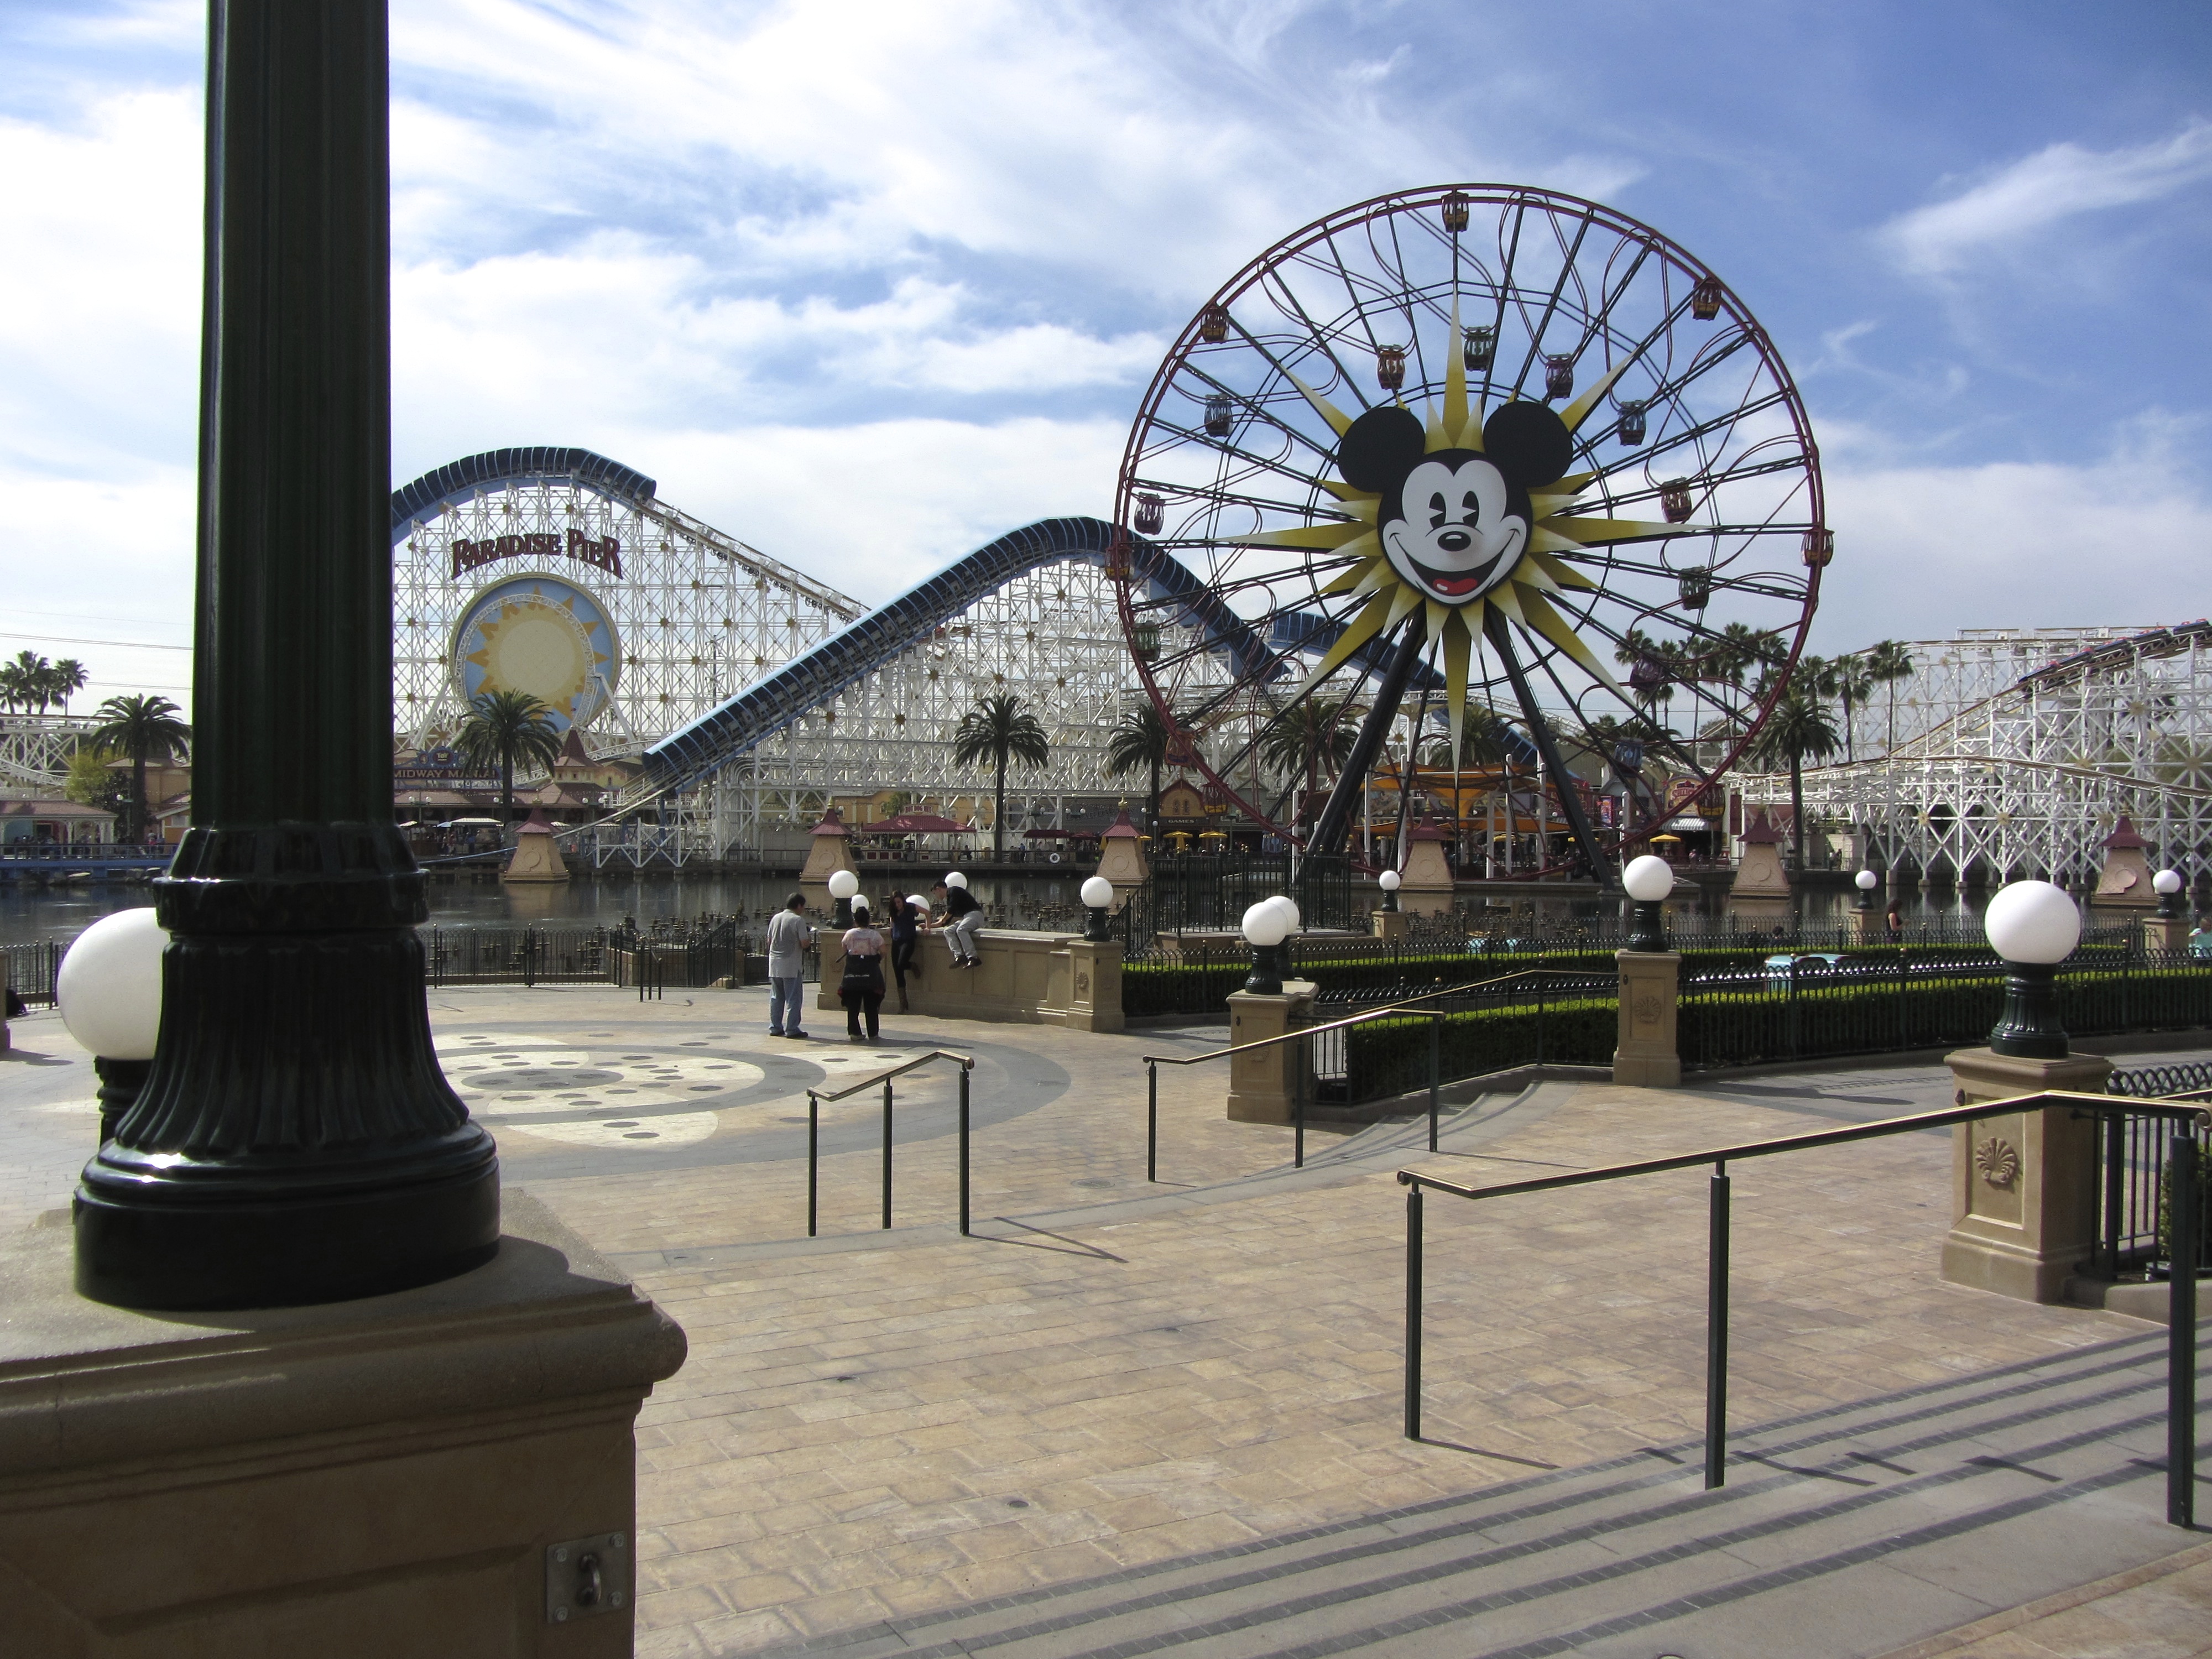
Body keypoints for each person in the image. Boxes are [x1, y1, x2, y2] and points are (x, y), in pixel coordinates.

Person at [764, 892, 811, 1039]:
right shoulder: (798, 920)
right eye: (803, 907)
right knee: (793, 998)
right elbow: (804, 943)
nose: (803, 909)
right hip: (791, 965)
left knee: (776, 997)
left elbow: (769, 941)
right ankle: (792, 1029)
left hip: (774, 964)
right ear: (799, 906)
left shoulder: (775, 918)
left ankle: (775, 1027)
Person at [839, 900, 886, 1041]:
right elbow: (884, 951)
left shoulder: (850, 934)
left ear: (855, 920)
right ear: (868, 920)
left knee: (853, 1006)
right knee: (871, 1005)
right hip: (870, 974)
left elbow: (844, 948)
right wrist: (877, 958)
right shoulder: (875, 935)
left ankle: (855, 1033)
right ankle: (873, 1033)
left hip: (853, 974)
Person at [935, 876, 983, 967]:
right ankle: (960, 957)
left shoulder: (954, 891)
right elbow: (945, 922)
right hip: (966, 917)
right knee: (948, 931)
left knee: (961, 929)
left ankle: (974, 958)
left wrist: (943, 919)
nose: (936, 897)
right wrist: (928, 926)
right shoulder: (949, 898)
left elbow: (951, 910)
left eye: (935, 894)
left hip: (976, 914)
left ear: (938, 889)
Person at [886, 891, 922, 1011]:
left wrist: (928, 927)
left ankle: (912, 966)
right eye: (895, 903)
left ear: (903, 901)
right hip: (896, 941)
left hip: (908, 940)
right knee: (898, 972)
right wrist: (891, 928)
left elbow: (927, 912)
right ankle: (903, 1003)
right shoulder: (893, 911)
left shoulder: (910, 908)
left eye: (899, 902)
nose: (897, 905)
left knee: (901, 963)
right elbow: (892, 919)